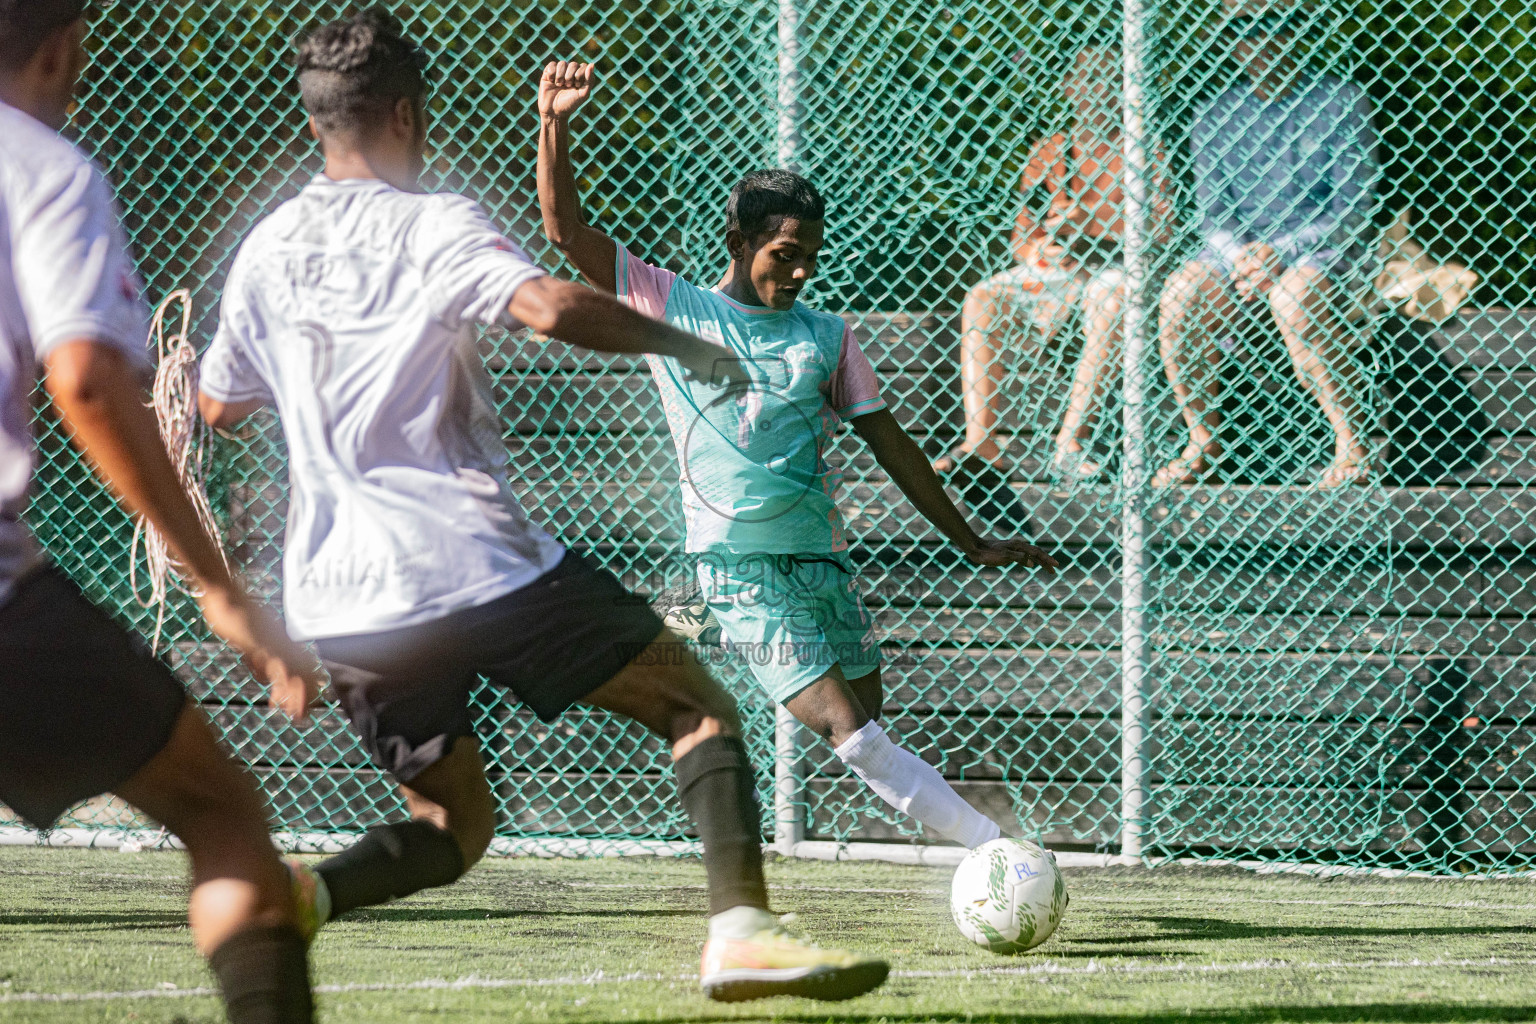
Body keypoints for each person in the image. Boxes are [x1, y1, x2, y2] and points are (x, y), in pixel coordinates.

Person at [196, 9, 887, 1004]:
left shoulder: (263, 252)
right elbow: (549, 306)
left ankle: (301, 895)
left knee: (452, 827)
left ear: (318, 120)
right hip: (474, 562)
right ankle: (741, 930)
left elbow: (219, 402)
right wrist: (692, 347)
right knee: (697, 705)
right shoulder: (430, 220)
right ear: (401, 112)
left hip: (344, 601)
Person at [537, 62, 1059, 854]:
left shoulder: (828, 335)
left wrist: (968, 538)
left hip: (822, 563)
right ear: (738, 242)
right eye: (784, 253)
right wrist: (555, 123)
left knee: (871, 729)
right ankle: (1001, 851)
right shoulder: (672, 304)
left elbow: (894, 444)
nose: (801, 270)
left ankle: (971, 832)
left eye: (811, 254)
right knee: (853, 735)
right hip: (738, 567)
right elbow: (564, 232)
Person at [0, 3, 321, 1021]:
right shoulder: (44, 168)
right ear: (59, 48)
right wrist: (219, 589)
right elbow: (88, 378)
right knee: (221, 809)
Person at [1155, 0, 1380, 488]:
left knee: (1295, 298)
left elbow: (1353, 209)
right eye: (1246, 27)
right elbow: (1212, 214)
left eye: (1279, 24)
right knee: (1179, 297)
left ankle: (1353, 444)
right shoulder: (1213, 116)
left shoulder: (1340, 101)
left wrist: (1280, 252)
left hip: (1319, 253)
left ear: (1299, 31)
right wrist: (1244, 257)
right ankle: (1202, 442)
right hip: (1237, 258)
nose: (1264, 38)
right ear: (1230, 39)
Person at [936, 42, 1167, 487]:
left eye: (1111, 78)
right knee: (984, 294)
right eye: (1089, 78)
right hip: (1055, 272)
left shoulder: (1144, 149)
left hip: (1112, 269)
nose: (1100, 89)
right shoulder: (1050, 151)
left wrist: (1094, 235)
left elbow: (1160, 234)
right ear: (1069, 87)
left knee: (1113, 291)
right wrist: (1042, 250)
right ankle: (981, 443)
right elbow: (1022, 237)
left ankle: (1071, 442)